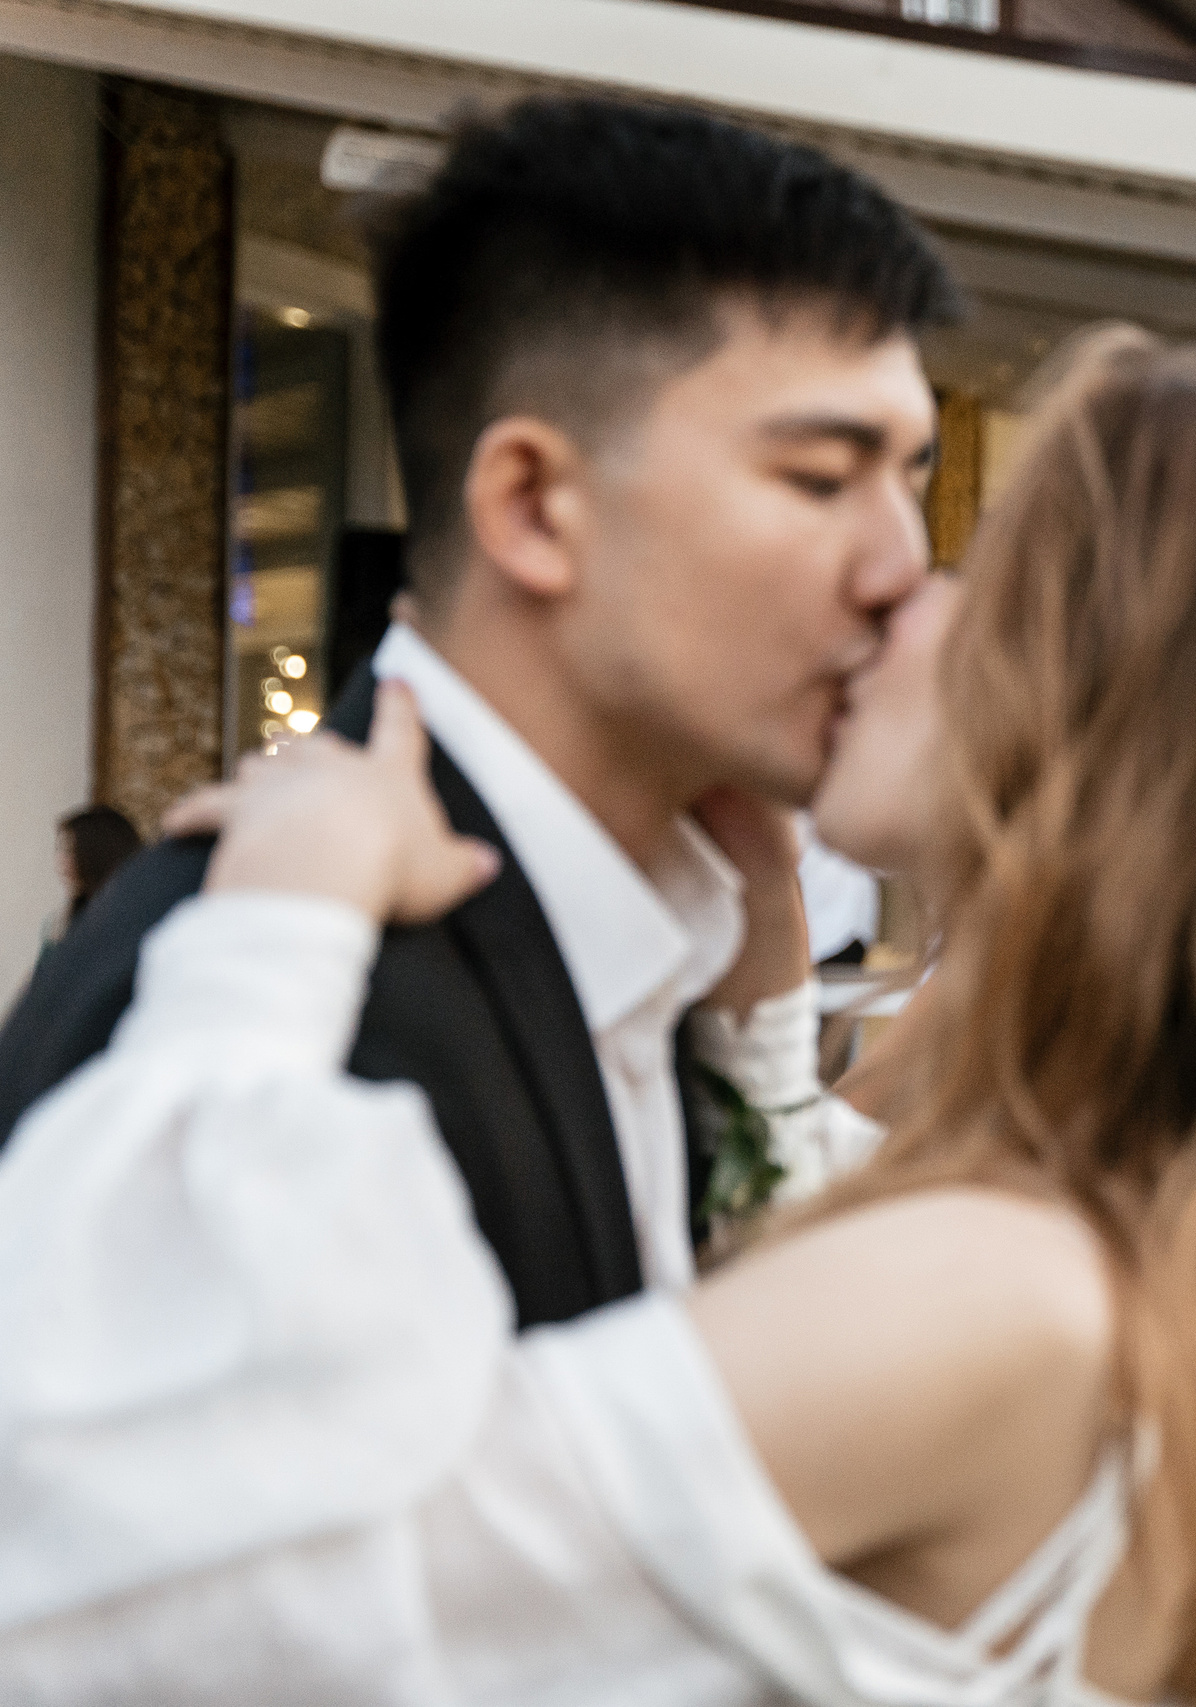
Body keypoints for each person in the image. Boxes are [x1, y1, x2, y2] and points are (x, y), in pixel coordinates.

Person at [0, 332, 1196, 1707]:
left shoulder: (989, 1296)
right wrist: (758, 1019)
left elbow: (174, 1619)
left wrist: (278, 926)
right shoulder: (1181, 1248)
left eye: (981, 567)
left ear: (1111, 709)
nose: (894, 588)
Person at [0, 95, 961, 1320]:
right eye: (822, 478)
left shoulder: (667, 953)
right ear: (531, 506)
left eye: (907, 479)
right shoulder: (277, 1030)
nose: (898, 569)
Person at [32, 806, 141, 977]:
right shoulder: (59, 923)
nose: (61, 862)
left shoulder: (133, 924)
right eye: (60, 850)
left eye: (71, 851)